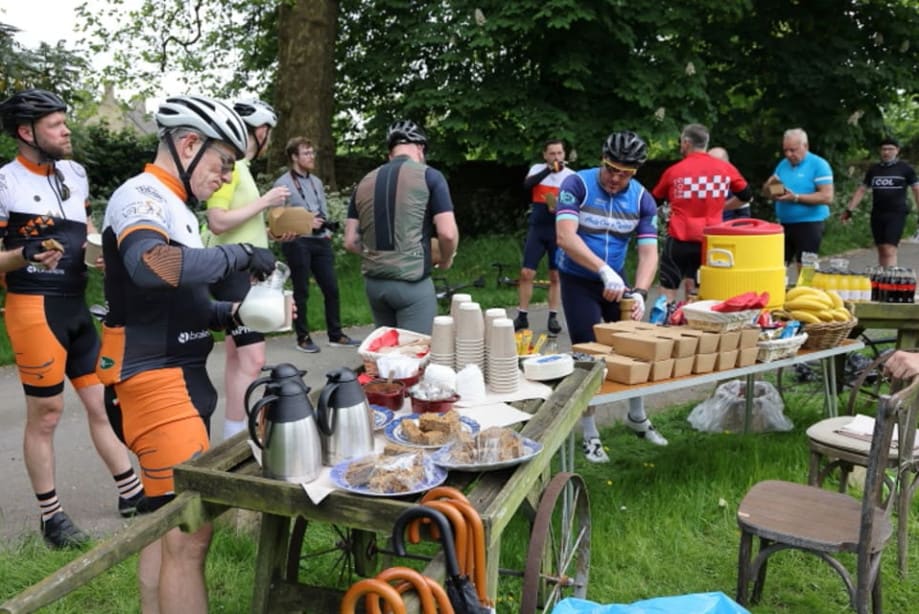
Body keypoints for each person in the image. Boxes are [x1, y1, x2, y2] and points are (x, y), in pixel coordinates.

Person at [97, 94, 276, 613]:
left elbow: (180, 303)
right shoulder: (142, 195)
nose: (227, 176)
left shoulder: (175, 206)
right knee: (188, 532)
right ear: (190, 143)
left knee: (164, 525)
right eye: (224, 161)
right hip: (155, 380)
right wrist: (240, 254)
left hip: (178, 376)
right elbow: (152, 265)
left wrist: (233, 314)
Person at [0, 89, 144, 549]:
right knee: (46, 414)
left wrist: (97, 252)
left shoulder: (75, 174)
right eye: (56, 125)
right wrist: (24, 254)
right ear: (27, 132)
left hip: (76, 304)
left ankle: (131, 492)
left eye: (65, 122)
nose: (66, 131)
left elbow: (83, 228)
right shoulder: (5, 183)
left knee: (102, 402)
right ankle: (51, 518)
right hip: (33, 308)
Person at [555, 130, 665, 462]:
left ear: (636, 172)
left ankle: (637, 416)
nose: (615, 178)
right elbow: (565, 237)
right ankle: (590, 434)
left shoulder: (643, 199)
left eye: (625, 173)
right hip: (579, 279)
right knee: (589, 357)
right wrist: (602, 269)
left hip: (618, 282)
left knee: (635, 347)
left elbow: (648, 252)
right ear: (602, 161)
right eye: (611, 169)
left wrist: (641, 291)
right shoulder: (577, 184)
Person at [205, 100, 290, 440]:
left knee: (236, 357)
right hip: (233, 272)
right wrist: (266, 201)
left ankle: (232, 431)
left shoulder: (242, 168)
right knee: (253, 359)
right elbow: (217, 220)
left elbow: (239, 222)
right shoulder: (234, 166)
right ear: (261, 130)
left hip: (239, 269)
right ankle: (237, 436)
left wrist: (270, 232)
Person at [344, 120, 459, 335]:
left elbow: (350, 241)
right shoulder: (430, 176)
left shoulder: (364, 182)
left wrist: (377, 255)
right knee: (415, 351)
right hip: (412, 284)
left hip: (375, 284)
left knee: (385, 350)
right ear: (420, 149)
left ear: (390, 154)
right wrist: (445, 259)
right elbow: (448, 233)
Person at [272, 137, 359, 353]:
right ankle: (303, 337)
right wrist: (304, 222)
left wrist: (326, 231)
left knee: (331, 288)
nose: (312, 157)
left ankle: (335, 335)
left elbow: (323, 212)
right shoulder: (283, 184)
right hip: (297, 242)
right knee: (301, 291)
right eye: (306, 153)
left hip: (321, 241)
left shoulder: (317, 182)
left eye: (312, 153)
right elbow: (276, 219)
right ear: (294, 157)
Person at [651, 124, 752, 303]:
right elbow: (746, 196)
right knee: (706, 293)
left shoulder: (674, 171)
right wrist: (722, 207)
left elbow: (653, 201)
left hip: (679, 239)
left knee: (667, 291)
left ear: (686, 143)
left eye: (681, 142)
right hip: (710, 241)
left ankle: (663, 318)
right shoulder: (725, 168)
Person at [513, 139, 574, 334]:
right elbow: (527, 185)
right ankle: (522, 315)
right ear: (545, 155)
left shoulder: (571, 176)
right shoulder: (537, 169)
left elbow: (575, 204)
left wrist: (559, 206)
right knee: (526, 273)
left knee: (555, 275)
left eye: (559, 153)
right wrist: (549, 170)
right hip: (538, 228)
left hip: (557, 230)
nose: (556, 157)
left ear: (564, 155)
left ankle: (553, 316)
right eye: (552, 153)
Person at [841, 137, 919, 267]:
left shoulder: (905, 169)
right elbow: (862, 190)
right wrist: (849, 210)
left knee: (890, 249)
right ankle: (882, 276)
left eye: (890, 149)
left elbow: (916, 190)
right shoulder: (874, 169)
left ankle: (891, 276)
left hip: (896, 213)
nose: (887, 152)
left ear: (897, 150)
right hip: (877, 213)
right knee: (882, 249)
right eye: (884, 149)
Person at [762, 128, 834, 268]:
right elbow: (768, 192)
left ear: (805, 146)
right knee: (777, 265)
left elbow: (827, 197)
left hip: (809, 223)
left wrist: (796, 197)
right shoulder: (783, 164)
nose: (789, 154)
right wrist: (770, 188)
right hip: (784, 223)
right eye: (785, 150)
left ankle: (807, 283)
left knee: (806, 266)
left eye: (793, 150)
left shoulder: (819, 165)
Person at [709, 147, 752, 221]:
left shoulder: (736, 185)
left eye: (715, 163)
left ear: (727, 164)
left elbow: (744, 215)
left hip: (727, 226)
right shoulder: (699, 183)